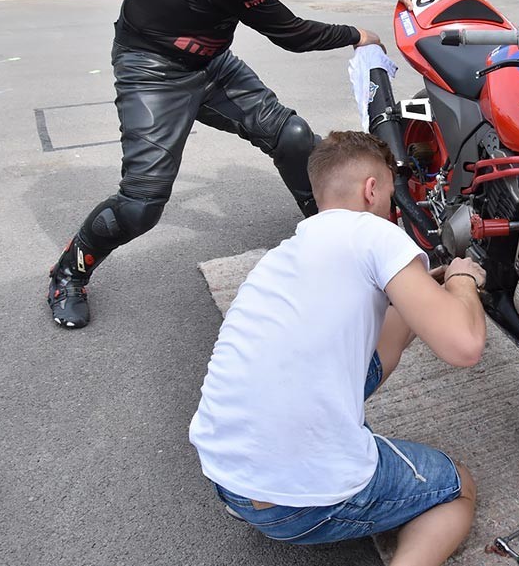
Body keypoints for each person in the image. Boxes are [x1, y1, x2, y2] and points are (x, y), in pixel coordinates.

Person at [45, 0, 450, 329]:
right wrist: (357, 34)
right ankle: (68, 272)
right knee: (141, 204)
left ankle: (333, 246)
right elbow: (292, 34)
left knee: (293, 136)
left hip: (209, 59)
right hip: (153, 69)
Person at [189, 131, 487, 566]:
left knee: (392, 322)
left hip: (229, 479)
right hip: (305, 501)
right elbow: (465, 347)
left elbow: (397, 316)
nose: (390, 207)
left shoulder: (282, 256)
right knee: (457, 488)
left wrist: (427, 286)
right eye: (388, 193)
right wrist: (463, 280)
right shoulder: (373, 232)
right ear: (372, 189)